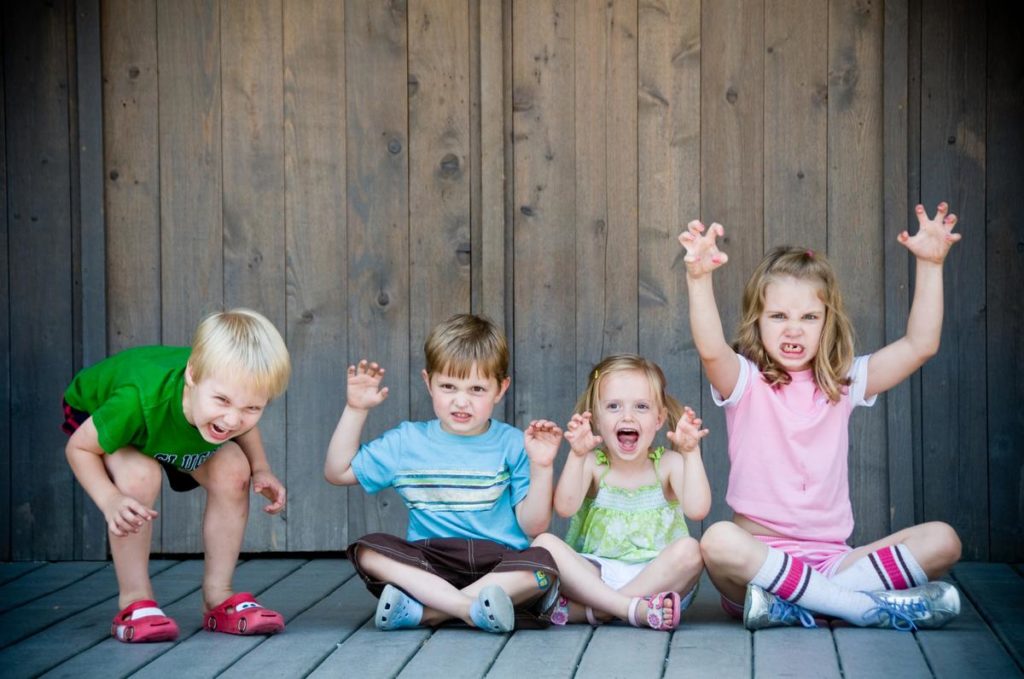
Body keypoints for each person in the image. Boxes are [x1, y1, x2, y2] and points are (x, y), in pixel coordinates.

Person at [678, 203, 963, 630]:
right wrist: (698, 279)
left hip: (833, 562)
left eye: (809, 317)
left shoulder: (843, 382)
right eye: (778, 316)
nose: (793, 329)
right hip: (758, 567)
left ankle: (813, 604)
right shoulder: (745, 381)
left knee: (943, 540)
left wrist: (930, 263)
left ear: (827, 322)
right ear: (758, 322)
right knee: (717, 540)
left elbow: (919, 345)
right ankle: (860, 608)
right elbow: (711, 349)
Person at [62, 308, 291, 642]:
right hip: (104, 414)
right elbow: (78, 449)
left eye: (251, 408)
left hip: (175, 425)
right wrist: (109, 499)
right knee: (140, 475)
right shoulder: (135, 402)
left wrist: (261, 468)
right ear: (193, 376)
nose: (231, 420)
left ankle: (218, 597)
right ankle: (134, 601)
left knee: (234, 470)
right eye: (223, 401)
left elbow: (240, 427)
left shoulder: (223, 397)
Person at [324, 313, 561, 633]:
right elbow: (338, 472)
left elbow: (534, 525)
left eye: (477, 388)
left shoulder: (514, 444)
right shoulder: (407, 441)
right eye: (448, 386)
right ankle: (468, 608)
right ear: (428, 381)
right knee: (367, 550)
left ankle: (428, 614)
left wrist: (543, 467)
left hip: (499, 565)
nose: (460, 401)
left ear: (500, 389)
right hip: (429, 563)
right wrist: (356, 410)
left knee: (542, 566)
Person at [532, 354, 710, 631]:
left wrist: (691, 454)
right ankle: (628, 609)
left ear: (659, 418)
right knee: (543, 543)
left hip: (657, 581)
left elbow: (698, 510)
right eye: (613, 406)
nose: (628, 416)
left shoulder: (668, 465)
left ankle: (599, 611)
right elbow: (565, 508)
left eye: (641, 406)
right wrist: (577, 456)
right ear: (597, 418)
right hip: (596, 575)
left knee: (692, 551)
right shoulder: (592, 464)